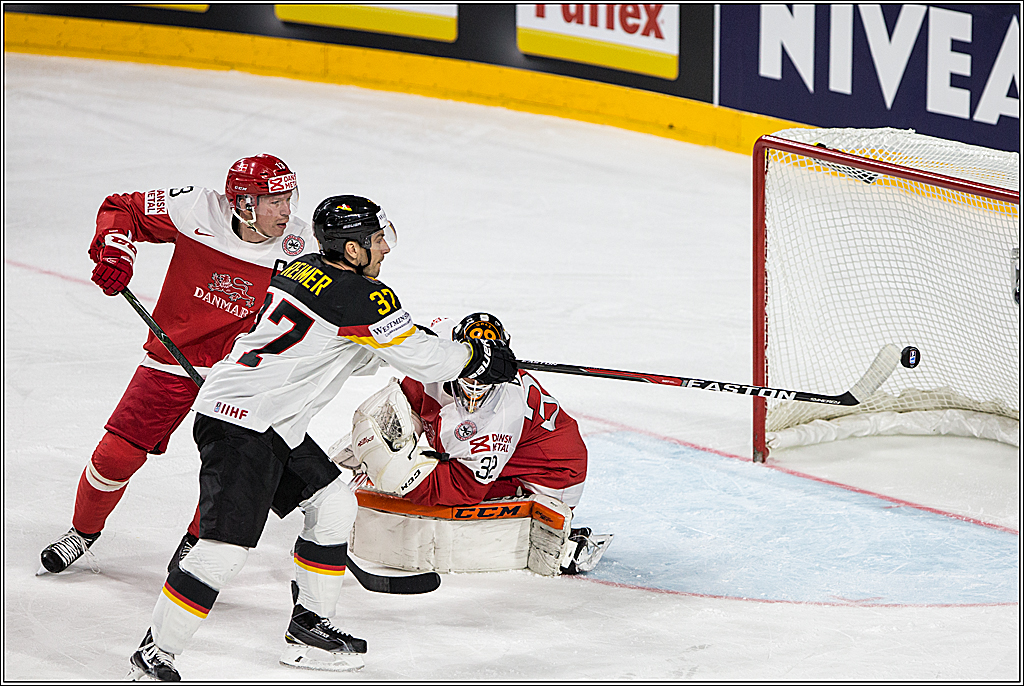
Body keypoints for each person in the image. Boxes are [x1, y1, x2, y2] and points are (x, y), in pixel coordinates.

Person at [126, 195, 517, 680]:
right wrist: (471, 358)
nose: (384, 250)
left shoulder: (306, 269)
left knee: (333, 505)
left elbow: (369, 350)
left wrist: (449, 351)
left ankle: (308, 627)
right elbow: (415, 356)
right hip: (243, 423)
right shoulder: (360, 295)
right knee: (224, 550)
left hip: (269, 419)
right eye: (376, 241)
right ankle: (156, 654)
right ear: (352, 250)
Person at [40, 155, 314, 576]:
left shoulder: (303, 245)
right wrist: (116, 252)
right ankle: (83, 531)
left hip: (241, 377)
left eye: (286, 197)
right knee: (115, 454)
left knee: (232, 473)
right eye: (273, 200)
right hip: (174, 356)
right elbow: (123, 208)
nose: (285, 210)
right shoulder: (196, 210)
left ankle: (196, 543)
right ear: (242, 203)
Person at [344, 312, 611, 575]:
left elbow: (463, 487)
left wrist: (394, 475)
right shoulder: (443, 354)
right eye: (471, 373)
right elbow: (409, 399)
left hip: (550, 476)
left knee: (419, 485)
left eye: (485, 378)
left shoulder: (503, 410)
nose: (475, 384)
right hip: (514, 454)